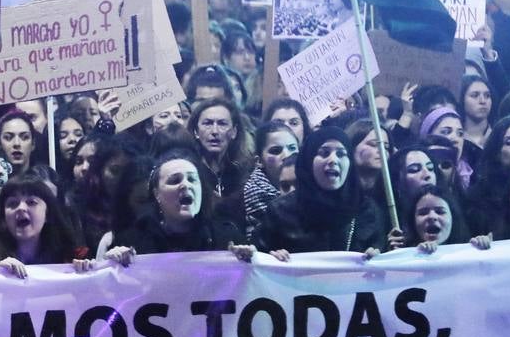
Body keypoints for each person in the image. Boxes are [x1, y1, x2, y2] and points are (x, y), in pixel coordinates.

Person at [252, 126, 387, 261]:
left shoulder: (367, 211)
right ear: (308, 160)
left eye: (341, 154)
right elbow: (257, 261)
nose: (333, 160)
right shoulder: (280, 211)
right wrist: (270, 258)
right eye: (324, 153)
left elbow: (381, 261)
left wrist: (377, 258)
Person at [103, 150, 251, 261]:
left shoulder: (227, 237)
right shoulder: (132, 241)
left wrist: (250, 258)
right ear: (156, 194)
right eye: (174, 181)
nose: (185, 185)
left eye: (192, 179)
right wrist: (112, 263)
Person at [0, 175, 91, 277]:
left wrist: (88, 270)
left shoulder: (74, 256)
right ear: (3, 219)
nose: (21, 208)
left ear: (48, 214)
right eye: (13, 203)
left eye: (31, 202)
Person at [189, 97, 254, 200]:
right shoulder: (188, 172)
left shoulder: (243, 173)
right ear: (196, 131)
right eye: (208, 123)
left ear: (234, 132)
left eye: (222, 124)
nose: (215, 131)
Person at [460, 75, 495, 150]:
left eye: (487, 95)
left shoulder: (499, 137)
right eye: (475, 95)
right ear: (462, 99)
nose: (483, 101)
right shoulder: (455, 139)